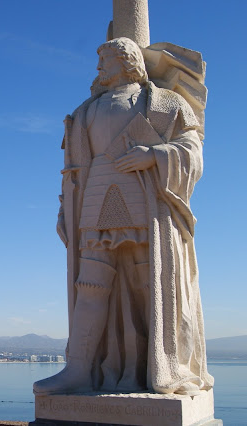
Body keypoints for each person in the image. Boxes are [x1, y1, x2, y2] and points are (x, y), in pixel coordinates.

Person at [33, 37, 213, 396]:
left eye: (107, 59)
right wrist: (66, 209)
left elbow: (192, 147)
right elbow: (73, 170)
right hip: (95, 197)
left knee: (152, 284)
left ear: (129, 61)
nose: (99, 66)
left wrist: (154, 155)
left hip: (145, 199)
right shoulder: (85, 112)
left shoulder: (165, 103)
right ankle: (78, 369)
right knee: (90, 284)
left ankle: (159, 366)